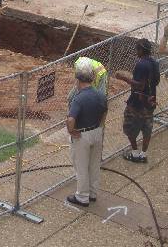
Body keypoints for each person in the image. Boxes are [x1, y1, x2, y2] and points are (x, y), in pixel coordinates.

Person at [66, 59, 108, 207]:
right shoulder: (100, 95)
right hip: (97, 132)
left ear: (78, 80)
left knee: (81, 167)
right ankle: (92, 193)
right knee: (94, 165)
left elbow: (71, 119)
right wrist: (100, 126)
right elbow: (105, 111)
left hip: (82, 135)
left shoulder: (79, 98)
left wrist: (71, 131)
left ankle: (82, 197)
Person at [115, 39, 160, 163]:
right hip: (151, 101)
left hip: (137, 102)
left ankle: (135, 153)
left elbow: (139, 85)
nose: (136, 51)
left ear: (141, 50)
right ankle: (143, 154)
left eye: (137, 49)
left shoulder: (141, 65)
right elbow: (157, 81)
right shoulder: (154, 62)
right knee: (147, 128)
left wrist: (123, 77)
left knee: (130, 127)